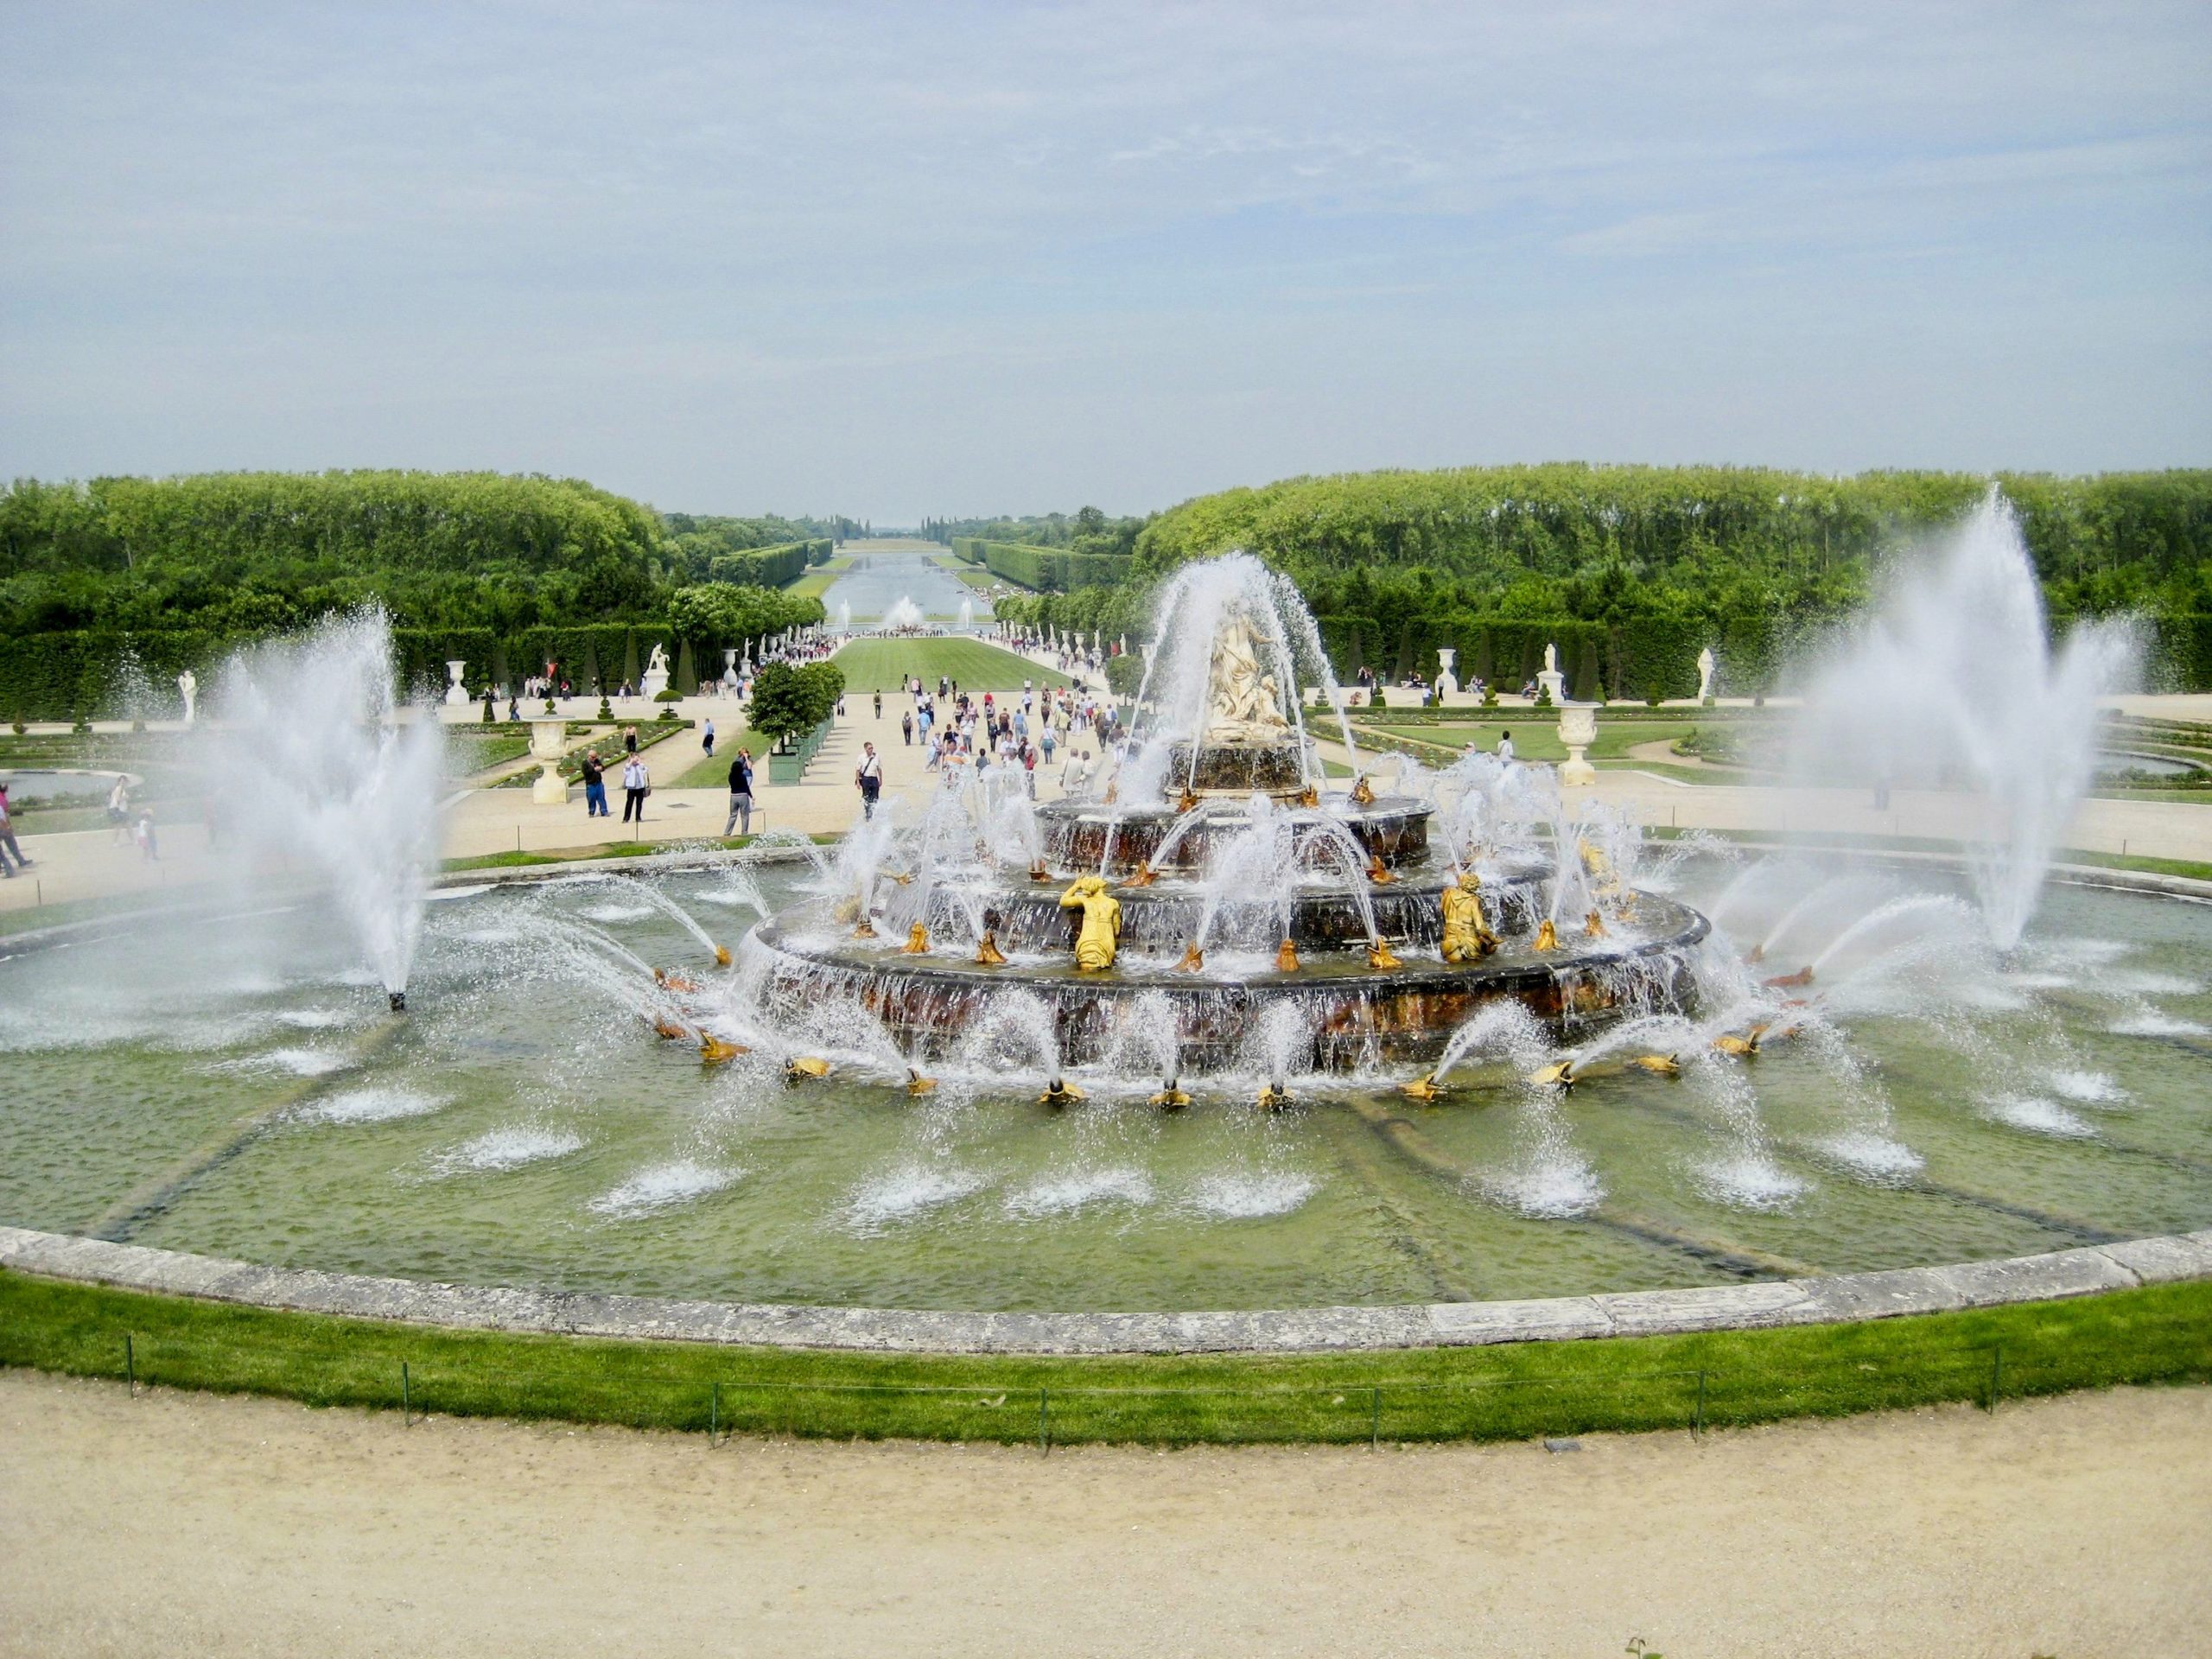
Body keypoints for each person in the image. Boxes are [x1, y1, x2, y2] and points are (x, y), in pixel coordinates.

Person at [723, 748, 755, 836]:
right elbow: (746, 787)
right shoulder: (742, 776)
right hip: (743, 796)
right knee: (744, 815)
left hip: (733, 796)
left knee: (733, 815)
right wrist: (751, 796)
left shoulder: (731, 776)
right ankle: (744, 832)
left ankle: (727, 832)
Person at [0, 783, 29, 875]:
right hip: (4, 827)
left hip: (2, 828)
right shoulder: (3, 798)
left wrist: (6, 826)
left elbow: (2, 817)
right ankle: (20, 861)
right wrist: (8, 826)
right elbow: (4, 814)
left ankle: (9, 870)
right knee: (12, 846)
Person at [855, 741, 882, 819]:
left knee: (875, 796)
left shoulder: (876, 756)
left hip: (874, 778)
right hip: (866, 779)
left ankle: (874, 812)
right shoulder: (861, 757)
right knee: (866, 796)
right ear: (866, 749)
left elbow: (879, 769)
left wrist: (880, 779)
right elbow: (857, 770)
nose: (871, 750)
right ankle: (868, 813)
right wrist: (858, 782)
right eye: (869, 748)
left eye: (872, 748)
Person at [621, 753, 650, 826]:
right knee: (629, 803)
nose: (636, 761)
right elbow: (626, 769)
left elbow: (645, 769)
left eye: (637, 759)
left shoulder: (640, 767)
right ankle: (626, 818)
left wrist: (640, 763)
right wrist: (631, 762)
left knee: (639, 803)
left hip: (640, 787)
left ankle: (638, 817)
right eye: (635, 759)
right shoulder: (629, 767)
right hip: (632, 788)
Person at [579, 751, 610, 817]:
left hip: (599, 782)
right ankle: (591, 812)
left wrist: (601, 768)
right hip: (590, 784)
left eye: (595, 757)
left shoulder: (597, 761)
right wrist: (594, 769)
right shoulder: (585, 763)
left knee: (601, 798)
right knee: (591, 799)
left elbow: (603, 767)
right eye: (593, 757)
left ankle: (604, 811)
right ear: (589, 756)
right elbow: (586, 772)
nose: (594, 759)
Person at [107, 776, 131, 844]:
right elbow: (118, 800)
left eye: (124, 781)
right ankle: (115, 842)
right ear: (119, 782)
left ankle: (133, 841)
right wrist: (125, 797)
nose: (123, 783)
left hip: (121, 810)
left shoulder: (120, 789)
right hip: (117, 810)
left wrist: (127, 805)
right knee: (119, 826)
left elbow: (114, 799)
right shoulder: (119, 788)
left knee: (128, 825)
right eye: (122, 781)